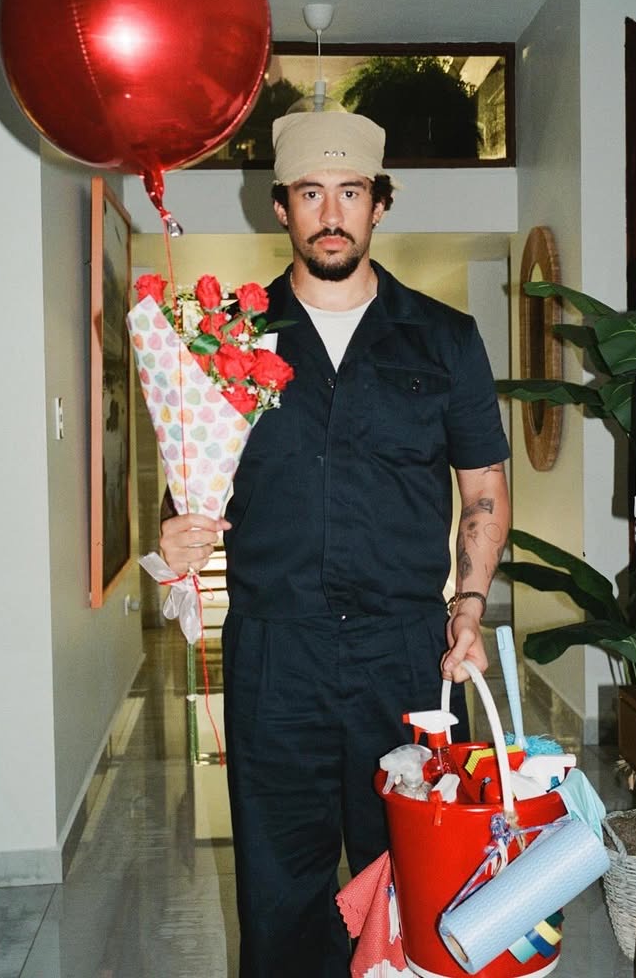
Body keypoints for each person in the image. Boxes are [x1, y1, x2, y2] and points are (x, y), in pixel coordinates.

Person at [160, 110, 510, 977]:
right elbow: (187, 494)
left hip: (408, 654)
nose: (330, 214)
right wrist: (177, 535)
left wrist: (469, 608)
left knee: (425, 883)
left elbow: (484, 489)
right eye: (309, 193)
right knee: (281, 898)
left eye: (350, 193)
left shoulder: (445, 337)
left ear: (379, 203)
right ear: (280, 206)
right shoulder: (225, 342)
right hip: (276, 655)